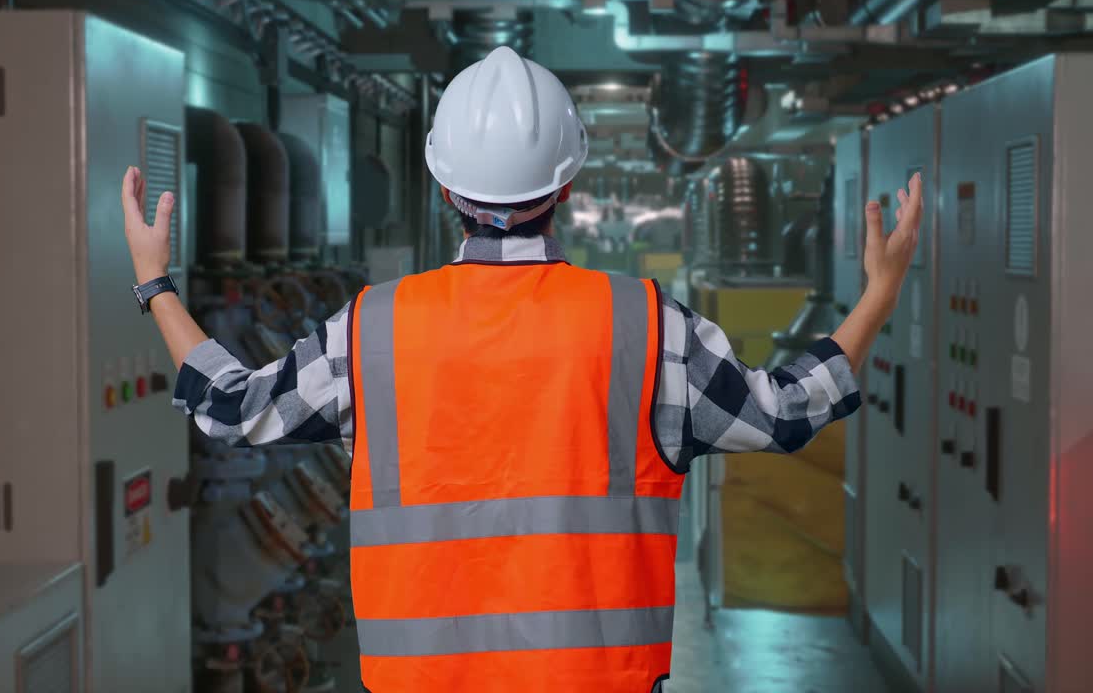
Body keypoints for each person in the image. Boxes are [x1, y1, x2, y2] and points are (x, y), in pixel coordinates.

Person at [121, 46, 922, 693]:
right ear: (566, 185)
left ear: (443, 186)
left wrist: (156, 285)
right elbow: (787, 413)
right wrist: (878, 295)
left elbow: (230, 408)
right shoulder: (644, 324)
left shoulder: (371, 329)